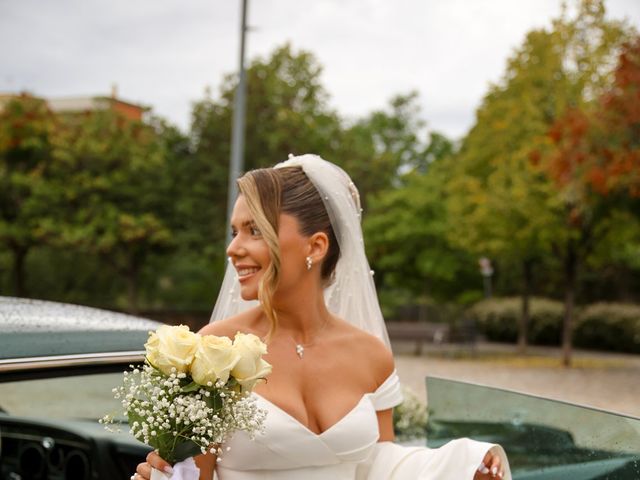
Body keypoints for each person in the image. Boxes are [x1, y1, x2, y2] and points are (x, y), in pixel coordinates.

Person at [135, 154, 510, 480]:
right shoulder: (212, 351)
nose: (233, 249)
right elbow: (191, 477)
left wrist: (464, 467)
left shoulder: (370, 354)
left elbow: (382, 468)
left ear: (315, 246)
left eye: (254, 230)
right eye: (235, 232)